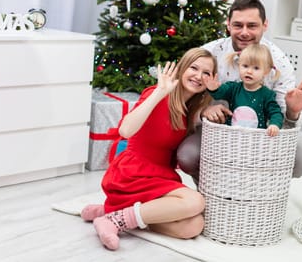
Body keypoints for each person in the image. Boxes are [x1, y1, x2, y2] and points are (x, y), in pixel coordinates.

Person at [80, 48, 217, 251]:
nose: (198, 76)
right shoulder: (157, 93)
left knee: (192, 226)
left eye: (206, 73)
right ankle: (115, 221)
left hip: (159, 176)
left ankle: (114, 213)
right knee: (195, 202)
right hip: (134, 173)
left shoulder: (191, 109)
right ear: (181, 68)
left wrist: (213, 99)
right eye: (194, 68)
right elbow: (126, 130)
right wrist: (160, 92)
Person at [177, 0, 302, 181]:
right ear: (228, 24)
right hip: (215, 132)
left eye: (252, 26)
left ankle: (255, 195)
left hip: (262, 135)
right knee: (187, 157)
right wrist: (203, 110)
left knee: (300, 162)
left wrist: (293, 111)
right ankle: (208, 191)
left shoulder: (280, 63)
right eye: (238, 25)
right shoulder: (210, 53)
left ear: (264, 25)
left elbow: (286, 123)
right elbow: (180, 98)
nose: (244, 32)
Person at [203, 43, 284, 136]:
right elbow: (220, 93)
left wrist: (274, 125)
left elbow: (276, 113)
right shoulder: (233, 88)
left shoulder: (267, 94)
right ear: (239, 66)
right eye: (245, 66)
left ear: (266, 71)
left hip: (256, 139)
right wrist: (214, 88)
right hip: (233, 136)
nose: (249, 71)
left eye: (256, 68)